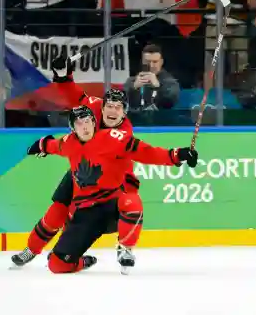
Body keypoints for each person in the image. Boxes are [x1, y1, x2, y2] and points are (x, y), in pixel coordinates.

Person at [24, 105, 198, 274]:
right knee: (56, 265)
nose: (84, 127)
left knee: (131, 200)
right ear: (72, 129)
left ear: (94, 122)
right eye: (78, 123)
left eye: (87, 121)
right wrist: (40, 145)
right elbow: (52, 145)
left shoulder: (114, 138)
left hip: (112, 206)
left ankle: (125, 249)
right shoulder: (68, 143)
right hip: (86, 214)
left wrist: (177, 155)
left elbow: (147, 152)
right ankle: (83, 261)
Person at [11, 55, 139, 267]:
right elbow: (76, 97)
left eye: (118, 108)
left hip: (112, 179)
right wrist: (63, 76)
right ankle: (31, 249)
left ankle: (123, 248)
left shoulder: (124, 131)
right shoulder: (95, 106)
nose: (112, 111)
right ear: (102, 105)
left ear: (124, 111)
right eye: (109, 106)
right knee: (56, 211)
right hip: (83, 171)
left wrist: (50, 145)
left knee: (121, 208)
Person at [124, 43, 180, 110]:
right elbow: (121, 103)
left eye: (155, 62)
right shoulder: (131, 81)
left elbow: (170, 103)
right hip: (136, 119)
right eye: (147, 61)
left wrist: (158, 87)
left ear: (161, 62)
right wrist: (133, 88)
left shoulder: (170, 82)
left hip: (161, 119)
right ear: (142, 62)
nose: (151, 65)